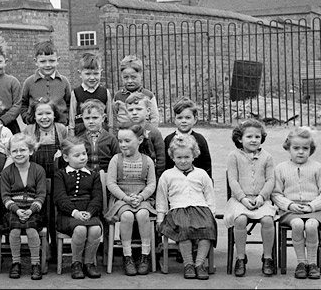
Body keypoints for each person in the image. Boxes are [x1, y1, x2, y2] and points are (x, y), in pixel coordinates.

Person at [272, 127, 321, 280]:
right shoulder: (281, 168)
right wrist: (289, 205)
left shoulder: (317, 167)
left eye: (305, 148)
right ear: (288, 148)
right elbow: (276, 193)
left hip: (314, 210)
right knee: (298, 224)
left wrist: (313, 205)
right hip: (290, 211)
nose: (300, 152)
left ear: (311, 149)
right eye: (296, 148)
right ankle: (301, 263)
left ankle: (312, 263)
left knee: (311, 225)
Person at [156, 135, 217, 281]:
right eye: (179, 157)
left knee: (207, 229)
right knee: (183, 229)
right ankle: (188, 264)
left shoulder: (201, 174)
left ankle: (199, 264)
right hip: (178, 209)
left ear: (194, 156)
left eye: (187, 157)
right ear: (172, 157)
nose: (183, 161)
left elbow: (210, 195)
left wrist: (212, 213)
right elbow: (162, 198)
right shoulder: (167, 175)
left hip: (200, 208)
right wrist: (160, 217)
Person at [224, 119, 277, 277]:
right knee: (239, 220)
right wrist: (242, 198)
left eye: (257, 137)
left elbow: (270, 180)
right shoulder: (234, 156)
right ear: (240, 139)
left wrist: (262, 196)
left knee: (267, 220)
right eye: (249, 137)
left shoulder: (267, 157)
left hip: (262, 199)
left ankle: (267, 257)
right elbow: (232, 180)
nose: (254, 140)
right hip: (240, 199)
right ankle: (240, 257)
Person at [105, 124, 157, 276]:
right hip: (121, 199)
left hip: (142, 198)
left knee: (142, 215)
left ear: (140, 140)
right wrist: (125, 198)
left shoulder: (147, 161)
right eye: (120, 141)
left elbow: (152, 183)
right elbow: (111, 183)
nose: (122, 145)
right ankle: (127, 256)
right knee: (127, 216)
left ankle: (145, 255)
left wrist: (141, 197)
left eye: (127, 141)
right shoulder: (116, 159)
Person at [54, 136, 104, 280]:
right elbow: (60, 197)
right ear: (66, 157)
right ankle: (76, 263)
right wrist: (74, 212)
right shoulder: (60, 175)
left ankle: (88, 263)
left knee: (95, 229)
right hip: (68, 215)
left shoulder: (93, 175)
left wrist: (90, 212)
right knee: (80, 229)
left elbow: (97, 197)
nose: (82, 157)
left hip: (89, 212)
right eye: (77, 155)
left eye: (84, 153)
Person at [0, 133, 47, 280]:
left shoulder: (38, 170)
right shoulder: (7, 172)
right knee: (14, 232)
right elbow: (5, 196)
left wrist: (31, 210)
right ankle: (16, 263)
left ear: (31, 151)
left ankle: (35, 264)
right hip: (14, 209)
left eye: (22, 150)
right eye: (14, 151)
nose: (18, 154)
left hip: (33, 209)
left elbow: (41, 195)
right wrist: (17, 210)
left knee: (32, 231)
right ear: (9, 153)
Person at [20, 40, 72, 126]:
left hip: (59, 126)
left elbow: (69, 103)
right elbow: (23, 103)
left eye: (52, 61)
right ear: (36, 62)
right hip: (36, 125)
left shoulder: (64, 81)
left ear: (58, 60)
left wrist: (66, 119)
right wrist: (27, 118)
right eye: (43, 61)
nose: (47, 65)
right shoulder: (29, 82)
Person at [63, 99, 119, 173]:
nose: (91, 121)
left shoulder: (111, 139)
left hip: (107, 175)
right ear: (82, 118)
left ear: (103, 118)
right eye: (87, 118)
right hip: (86, 176)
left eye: (95, 118)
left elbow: (117, 159)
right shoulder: (80, 140)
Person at [163, 97, 212, 179]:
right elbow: (165, 163)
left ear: (195, 119)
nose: (184, 121)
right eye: (180, 118)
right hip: (174, 180)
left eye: (188, 118)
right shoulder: (169, 140)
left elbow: (206, 163)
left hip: (196, 180)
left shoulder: (200, 139)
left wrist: (208, 181)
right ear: (174, 119)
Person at [22, 100, 68, 180]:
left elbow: (67, 148)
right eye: (40, 114)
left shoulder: (61, 129)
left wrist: (62, 151)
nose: (44, 117)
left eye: (48, 113)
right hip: (36, 173)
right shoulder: (29, 130)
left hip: (57, 172)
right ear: (34, 116)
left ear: (54, 115)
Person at [68, 53, 113, 136]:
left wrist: (110, 136)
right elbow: (72, 120)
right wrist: (72, 136)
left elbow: (110, 120)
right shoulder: (76, 93)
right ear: (80, 74)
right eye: (88, 74)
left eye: (96, 74)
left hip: (102, 134)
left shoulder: (105, 93)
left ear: (101, 73)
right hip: (81, 134)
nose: (92, 78)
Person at [125, 92, 166, 180]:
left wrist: (157, 178)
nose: (134, 113)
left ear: (147, 111)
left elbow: (161, 159)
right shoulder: (124, 132)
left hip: (150, 176)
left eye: (139, 109)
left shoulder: (154, 133)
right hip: (129, 175)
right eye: (131, 110)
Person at [113, 55, 159, 131]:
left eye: (133, 77)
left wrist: (150, 133)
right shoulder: (118, 96)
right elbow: (114, 117)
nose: (129, 81)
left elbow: (154, 118)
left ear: (141, 75)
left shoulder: (148, 95)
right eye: (126, 78)